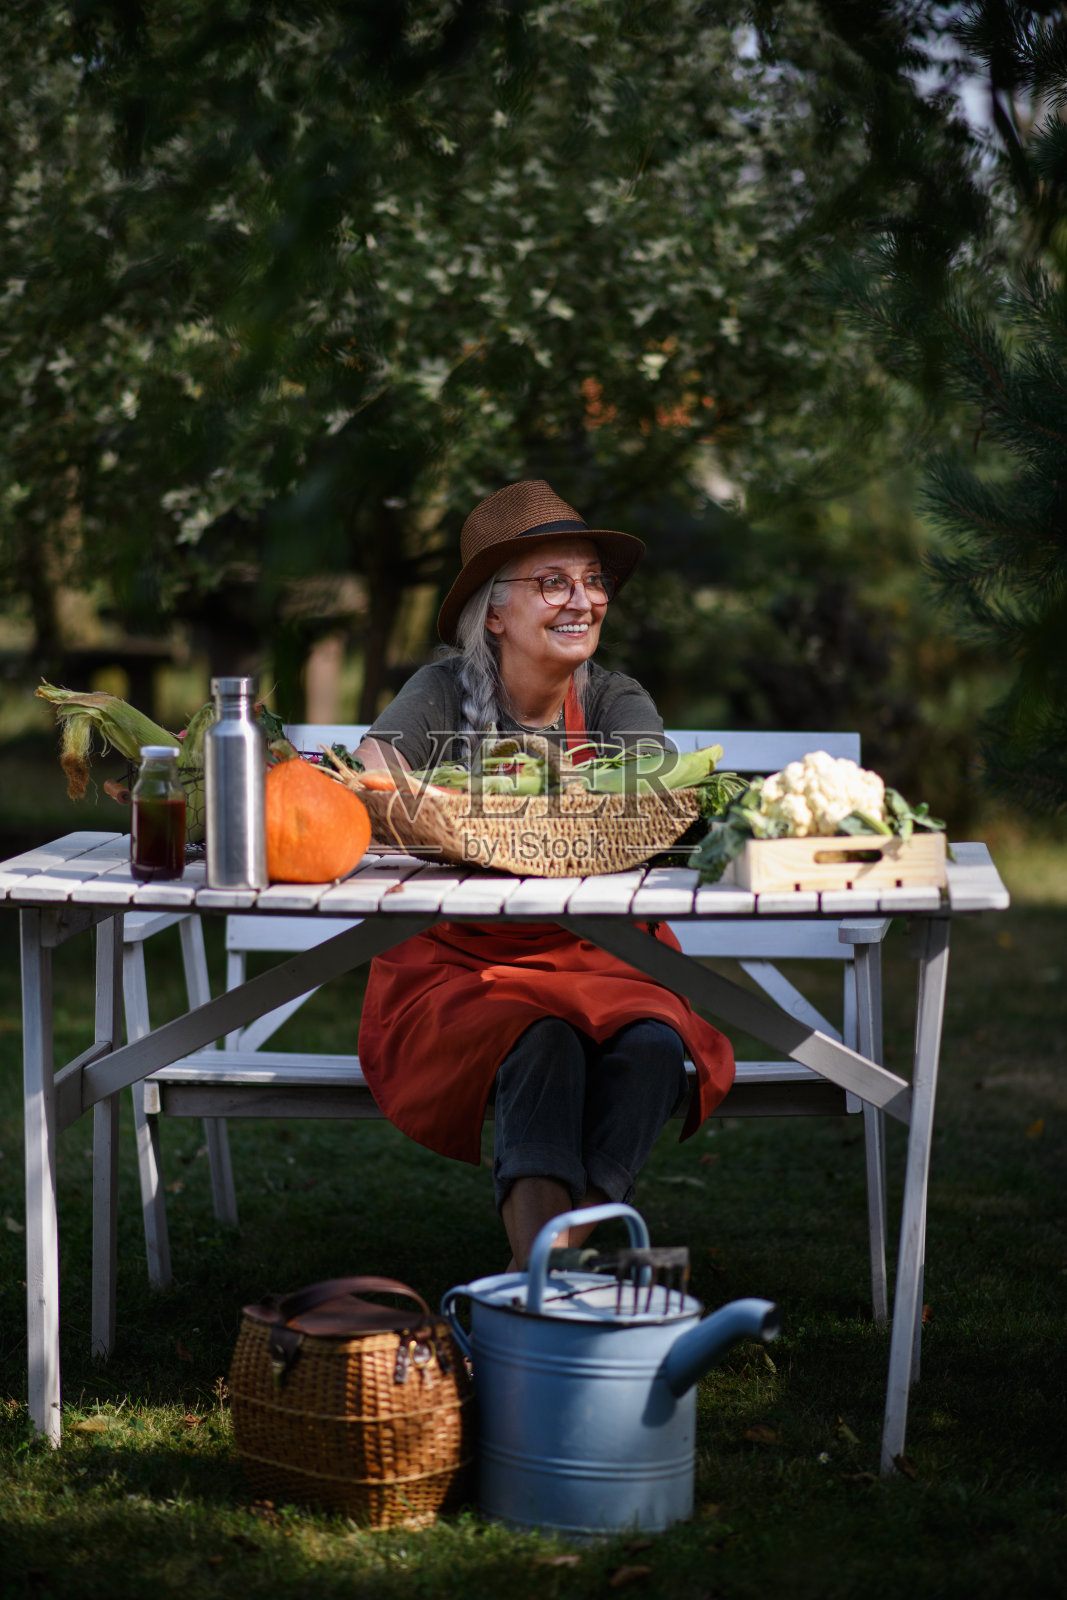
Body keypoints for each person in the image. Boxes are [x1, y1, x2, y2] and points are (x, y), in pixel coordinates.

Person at [354, 480, 735, 1267]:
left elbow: (652, 788)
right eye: (553, 582)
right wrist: (443, 796)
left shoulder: (612, 697)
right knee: (543, 1041)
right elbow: (372, 770)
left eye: (593, 581)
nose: (583, 600)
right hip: (461, 964)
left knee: (655, 1049)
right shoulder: (443, 692)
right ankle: (565, 1283)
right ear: (494, 614)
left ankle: (548, 1275)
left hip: (607, 956)